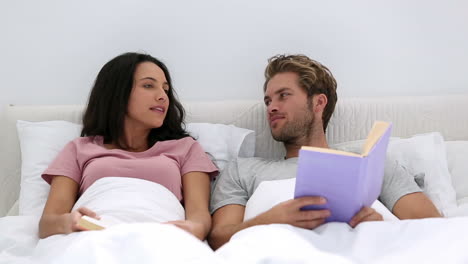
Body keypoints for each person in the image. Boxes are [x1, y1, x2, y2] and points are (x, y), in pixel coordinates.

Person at [208, 54, 441, 249]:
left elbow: (434, 228)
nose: (272, 107)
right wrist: (270, 220)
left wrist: (382, 227)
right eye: (268, 101)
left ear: (319, 103)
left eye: (283, 95)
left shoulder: (369, 162)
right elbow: (218, 239)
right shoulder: (243, 169)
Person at [38, 52, 218, 240]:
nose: (163, 96)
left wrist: (193, 229)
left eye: (165, 89)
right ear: (117, 92)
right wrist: (71, 221)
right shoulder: (78, 149)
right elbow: (48, 223)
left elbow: (199, 215)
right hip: (94, 236)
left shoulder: (186, 148)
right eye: (148, 86)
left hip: (161, 237)